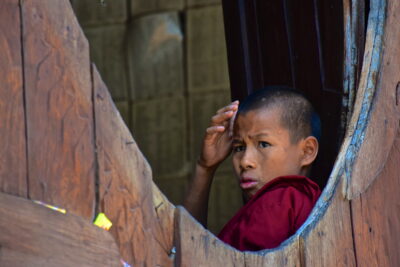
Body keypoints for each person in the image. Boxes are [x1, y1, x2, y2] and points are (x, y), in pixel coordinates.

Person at [183, 86, 322, 251]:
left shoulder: (280, 201)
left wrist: (203, 169)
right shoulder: (304, 204)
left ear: (307, 151)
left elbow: (189, 255)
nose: (245, 161)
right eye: (239, 148)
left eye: (263, 144)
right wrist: (206, 167)